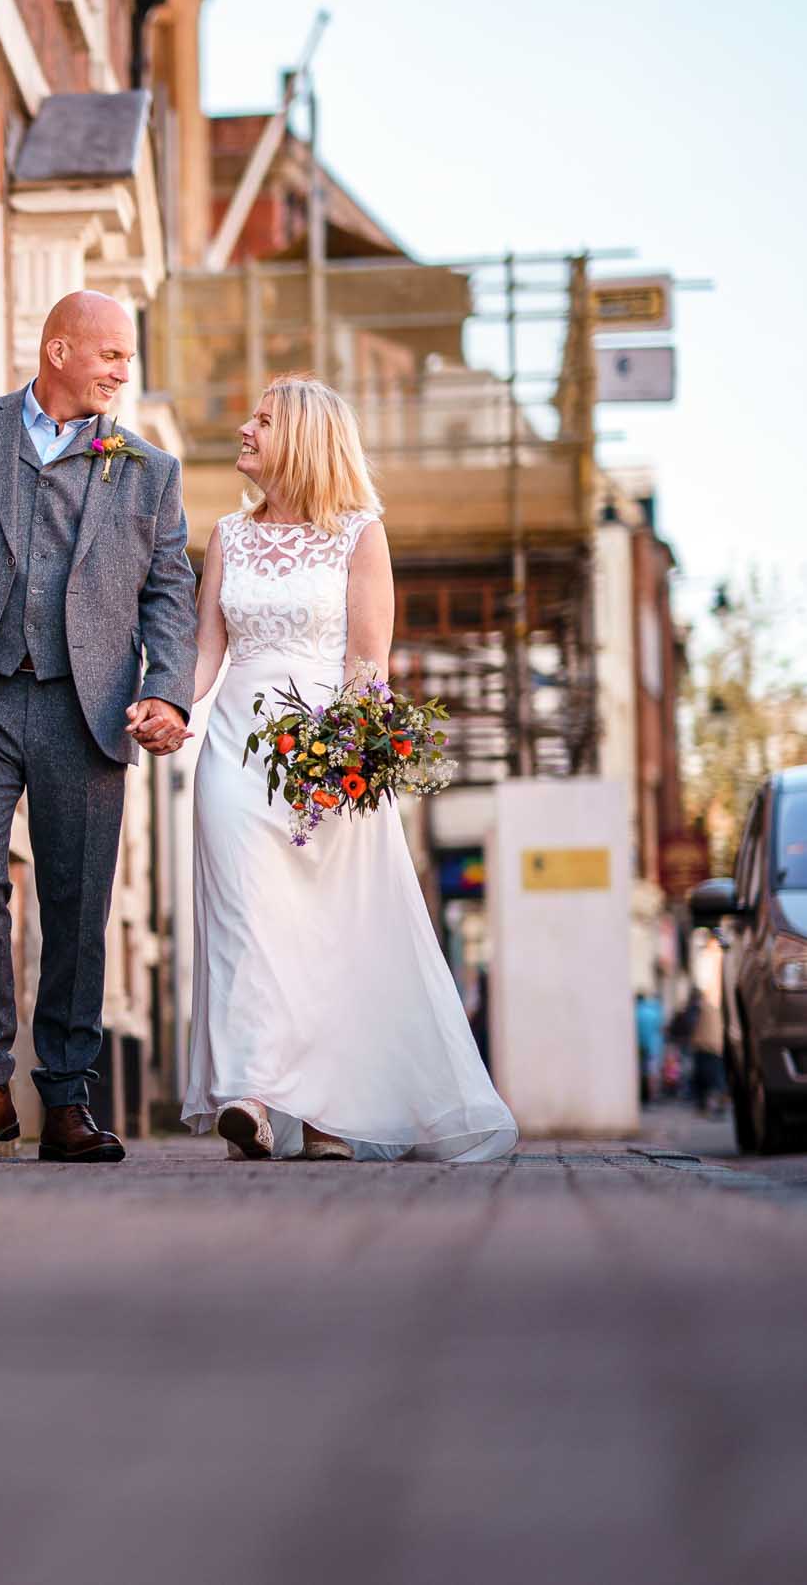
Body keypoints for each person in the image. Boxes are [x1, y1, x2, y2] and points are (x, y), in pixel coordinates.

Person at [0, 290, 197, 1163]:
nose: (122, 371)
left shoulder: (148, 471)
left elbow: (169, 594)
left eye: (128, 359)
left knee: (76, 899)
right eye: (110, 354)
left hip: (85, 704)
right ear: (58, 349)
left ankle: (66, 1097)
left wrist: (167, 691)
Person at [180, 376, 518, 1163]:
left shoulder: (359, 535)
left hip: (326, 755)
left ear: (300, 436)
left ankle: (330, 1113)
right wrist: (169, 705)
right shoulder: (228, 534)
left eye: (262, 419)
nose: (244, 427)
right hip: (234, 747)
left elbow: (369, 662)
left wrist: (350, 756)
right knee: (243, 919)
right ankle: (250, 1097)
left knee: (325, 933)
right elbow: (205, 652)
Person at [690, 930, 728, 1116]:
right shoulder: (721, 956)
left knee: (708, 1068)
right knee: (714, 1068)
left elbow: (704, 985)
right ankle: (716, 1102)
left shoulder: (711, 956)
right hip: (716, 1031)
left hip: (711, 1030)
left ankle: (710, 1103)